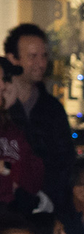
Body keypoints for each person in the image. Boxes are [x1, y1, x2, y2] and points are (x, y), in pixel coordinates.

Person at [5, 23, 74, 211]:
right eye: (32, 56)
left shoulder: (53, 108)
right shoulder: (4, 109)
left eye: (44, 56)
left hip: (48, 206)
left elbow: (65, 161)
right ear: (13, 59)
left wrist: (51, 199)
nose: (41, 63)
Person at [0, 64, 45, 216]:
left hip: (15, 214)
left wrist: (8, 170)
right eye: (2, 79)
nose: (4, 86)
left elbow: (35, 174)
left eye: (5, 80)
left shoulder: (13, 127)